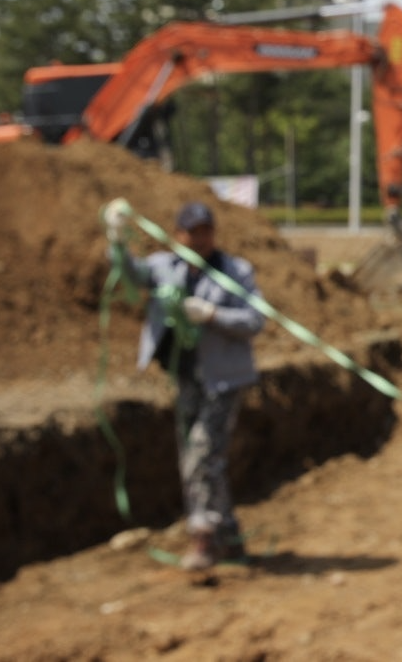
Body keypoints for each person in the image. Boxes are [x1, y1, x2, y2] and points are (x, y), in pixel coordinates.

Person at [103, 199, 266, 570]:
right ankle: (229, 535)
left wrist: (212, 315)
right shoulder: (164, 267)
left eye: (205, 231)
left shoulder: (235, 271)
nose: (199, 238)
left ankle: (204, 536)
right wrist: (116, 241)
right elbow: (130, 275)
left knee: (202, 455)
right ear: (178, 234)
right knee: (199, 460)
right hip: (186, 377)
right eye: (192, 232)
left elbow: (255, 320)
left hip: (224, 379)